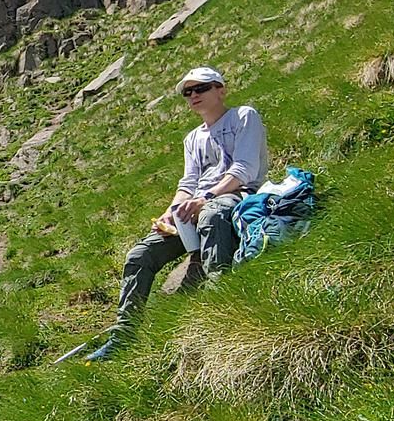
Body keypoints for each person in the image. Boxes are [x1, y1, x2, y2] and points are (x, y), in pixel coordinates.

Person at [87, 65, 268, 362]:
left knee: (211, 216)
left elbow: (244, 168)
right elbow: (188, 183)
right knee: (139, 255)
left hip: (237, 196)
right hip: (195, 204)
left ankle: (219, 301)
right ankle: (124, 333)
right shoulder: (192, 138)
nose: (193, 95)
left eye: (201, 88)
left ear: (221, 90)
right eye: (188, 92)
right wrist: (170, 214)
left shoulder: (243, 116)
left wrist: (205, 199)